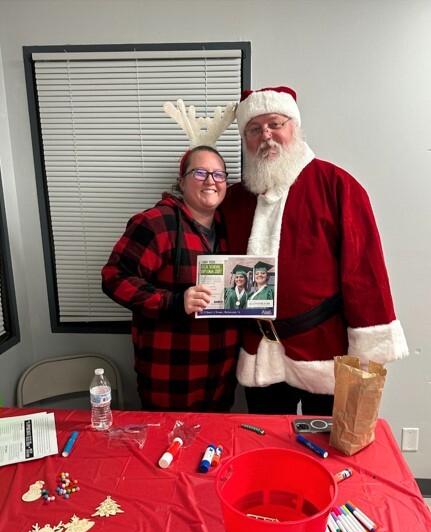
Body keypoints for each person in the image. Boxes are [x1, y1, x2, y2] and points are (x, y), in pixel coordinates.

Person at [221, 86, 409, 416]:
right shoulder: (235, 200)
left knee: (324, 453)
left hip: (325, 353)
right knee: (267, 447)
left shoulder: (338, 186)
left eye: (275, 124)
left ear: (295, 126)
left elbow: (364, 273)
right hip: (258, 353)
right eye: (254, 129)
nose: (266, 135)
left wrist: (366, 352)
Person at [102, 145, 240, 411]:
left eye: (219, 174)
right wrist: (174, 302)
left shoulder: (231, 228)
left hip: (221, 377)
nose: (211, 181)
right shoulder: (155, 223)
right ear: (181, 182)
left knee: (213, 448)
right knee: (166, 449)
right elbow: (114, 278)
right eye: (200, 173)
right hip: (171, 374)